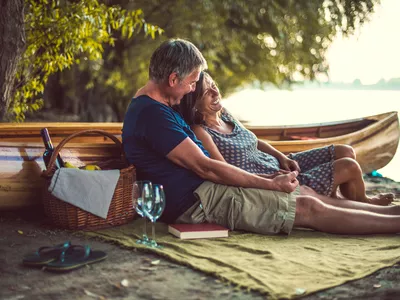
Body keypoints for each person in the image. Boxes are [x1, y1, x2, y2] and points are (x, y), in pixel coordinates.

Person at [122, 38, 400, 236]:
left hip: (207, 189)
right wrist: (271, 184)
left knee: (311, 198)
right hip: (198, 200)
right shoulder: (153, 114)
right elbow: (205, 166)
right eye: (193, 81)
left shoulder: (156, 108)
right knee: (307, 208)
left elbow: (208, 165)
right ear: (173, 79)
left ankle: (392, 215)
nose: (192, 88)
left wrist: (269, 178)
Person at [177, 71, 394, 206]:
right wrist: (270, 179)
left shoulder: (225, 114)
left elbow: (253, 140)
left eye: (214, 86)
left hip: (277, 163)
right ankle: (359, 202)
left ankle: (347, 199)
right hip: (271, 178)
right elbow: (223, 170)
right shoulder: (201, 131)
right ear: (194, 104)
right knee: (348, 166)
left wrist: (282, 157)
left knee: (345, 151)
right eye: (207, 93)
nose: (215, 93)